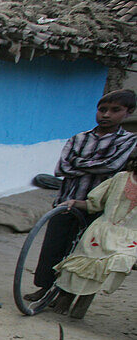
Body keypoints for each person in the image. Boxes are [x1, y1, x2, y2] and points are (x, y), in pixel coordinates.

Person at [25, 89, 137, 303]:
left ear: (128, 112)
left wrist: (80, 163)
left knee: (83, 253)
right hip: (66, 201)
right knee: (53, 247)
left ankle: (66, 294)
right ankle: (45, 288)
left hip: (98, 209)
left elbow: (112, 166)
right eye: (102, 110)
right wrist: (94, 167)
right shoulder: (79, 138)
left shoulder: (128, 141)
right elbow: (62, 168)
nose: (106, 115)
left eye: (115, 110)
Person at [50, 153, 137, 318]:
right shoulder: (120, 178)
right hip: (101, 231)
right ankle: (65, 298)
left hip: (129, 238)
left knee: (115, 262)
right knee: (82, 263)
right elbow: (94, 204)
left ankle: (82, 302)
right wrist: (74, 203)